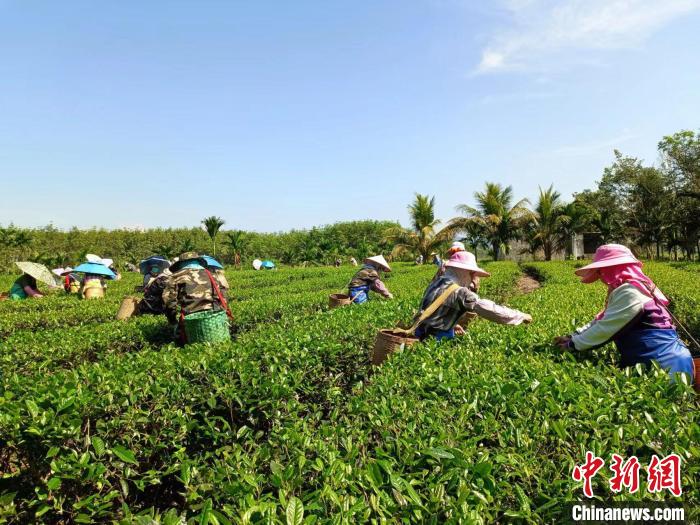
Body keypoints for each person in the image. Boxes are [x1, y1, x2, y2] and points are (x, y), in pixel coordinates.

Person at [554, 244, 693, 383]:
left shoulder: (630, 291)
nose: (601, 277)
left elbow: (606, 328)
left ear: (611, 269)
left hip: (666, 365)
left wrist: (572, 345)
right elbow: (603, 318)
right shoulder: (631, 287)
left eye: (601, 271)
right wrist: (572, 336)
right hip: (659, 360)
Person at [413, 251, 532, 341]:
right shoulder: (460, 292)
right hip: (436, 340)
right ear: (464, 272)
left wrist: (452, 325)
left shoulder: (436, 283)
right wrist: (520, 316)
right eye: (472, 274)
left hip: (419, 333)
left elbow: (434, 312)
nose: (472, 279)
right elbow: (490, 309)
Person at [163, 252, 231, 342]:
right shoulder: (213, 274)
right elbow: (224, 297)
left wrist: (173, 321)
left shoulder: (175, 277)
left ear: (181, 263)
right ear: (198, 262)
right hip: (215, 319)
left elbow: (169, 301)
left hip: (190, 321)